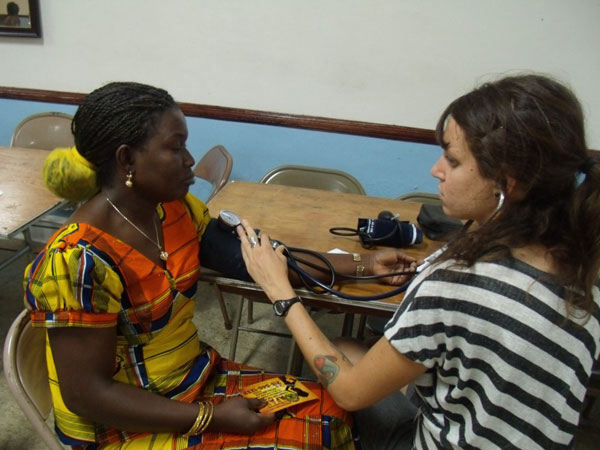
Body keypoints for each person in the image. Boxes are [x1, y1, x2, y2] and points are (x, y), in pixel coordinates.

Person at [23, 81, 416, 449]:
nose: (190, 160)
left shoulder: (174, 211)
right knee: (322, 435)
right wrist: (210, 418)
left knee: (339, 412)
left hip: (195, 381)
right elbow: (86, 395)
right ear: (127, 159)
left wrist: (363, 263)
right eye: (175, 147)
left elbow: (264, 261)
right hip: (122, 426)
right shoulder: (75, 260)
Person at [238, 74, 600, 449]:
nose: (436, 170)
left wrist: (279, 290)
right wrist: (366, 265)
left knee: (342, 358)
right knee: (358, 347)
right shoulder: (583, 276)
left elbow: (350, 392)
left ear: (505, 185)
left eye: (453, 160)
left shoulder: (456, 285)